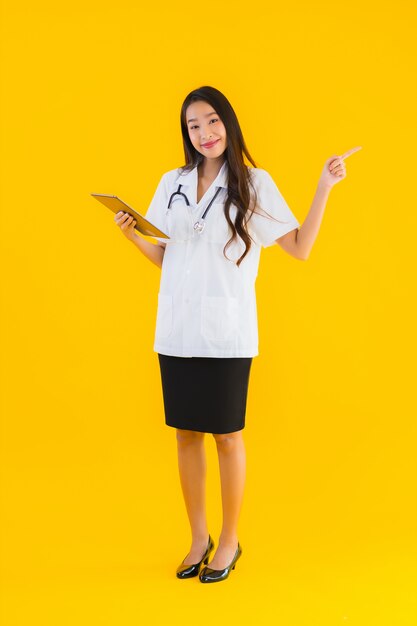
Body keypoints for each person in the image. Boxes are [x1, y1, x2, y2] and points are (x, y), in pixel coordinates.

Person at [114, 85, 361, 583]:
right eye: (193, 126)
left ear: (228, 122)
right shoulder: (173, 182)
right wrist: (132, 235)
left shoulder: (253, 182)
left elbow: (299, 246)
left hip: (226, 330)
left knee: (227, 435)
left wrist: (323, 187)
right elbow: (168, 256)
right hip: (178, 328)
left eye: (212, 121)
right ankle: (198, 537)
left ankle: (229, 540)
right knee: (186, 434)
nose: (204, 134)